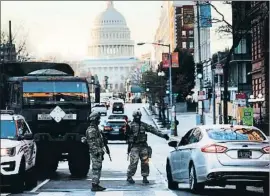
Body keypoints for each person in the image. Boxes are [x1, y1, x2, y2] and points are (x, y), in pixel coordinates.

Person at [126, 109, 169, 184]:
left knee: (145, 162)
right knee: (134, 162)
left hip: (143, 146)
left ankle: (145, 176)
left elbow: (153, 130)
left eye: (139, 116)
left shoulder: (143, 125)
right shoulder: (130, 125)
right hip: (134, 146)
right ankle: (129, 176)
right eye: (136, 116)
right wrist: (128, 133)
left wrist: (163, 135)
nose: (138, 117)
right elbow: (125, 136)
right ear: (134, 117)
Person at [85, 111, 106, 192]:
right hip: (95, 152)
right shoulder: (91, 130)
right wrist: (96, 151)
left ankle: (96, 183)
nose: (99, 120)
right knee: (96, 168)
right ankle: (94, 185)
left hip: (98, 151)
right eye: (98, 119)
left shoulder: (96, 129)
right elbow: (91, 143)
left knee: (98, 168)